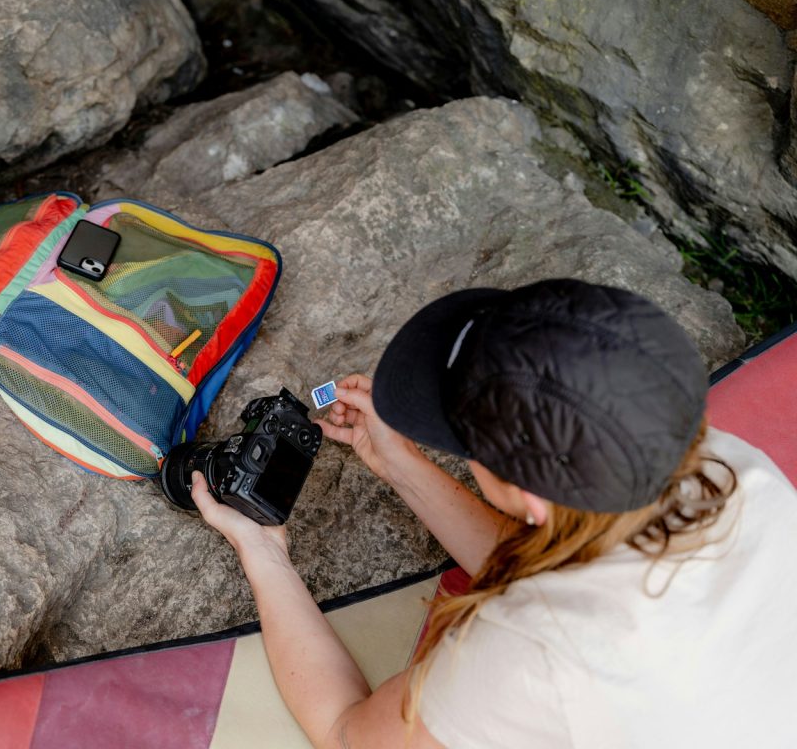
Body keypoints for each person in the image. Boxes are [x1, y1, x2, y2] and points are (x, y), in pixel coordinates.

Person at [190, 278, 797, 748]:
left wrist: (265, 554)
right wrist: (398, 461)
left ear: (526, 496)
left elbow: (350, 734)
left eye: (463, 438)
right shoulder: (732, 468)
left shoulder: (531, 651)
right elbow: (559, 557)